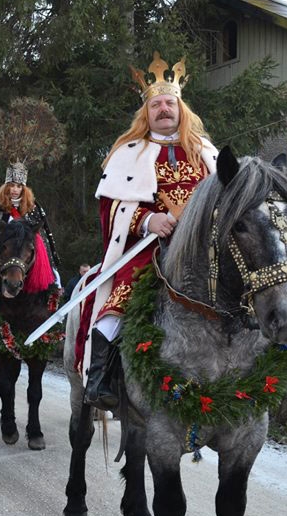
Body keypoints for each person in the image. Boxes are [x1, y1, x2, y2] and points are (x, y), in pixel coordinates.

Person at [76, 52, 219, 409]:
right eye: (156, 104)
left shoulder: (205, 152)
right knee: (116, 301)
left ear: (181, 107)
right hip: (147, 250)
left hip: (202, 250)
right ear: (147, 112)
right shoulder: (129, 152)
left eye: (170, 102)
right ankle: (101, 379)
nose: (164, 109)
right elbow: (110, 207)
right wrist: (146, 221)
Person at [0, 163, 62, 307]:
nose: (15, 189)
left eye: (19, 186)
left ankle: (56, 310)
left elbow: (42, 234)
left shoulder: (33, 208)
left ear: (24, 188)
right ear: (6, 187)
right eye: (12, 185)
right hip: (3, 254)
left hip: (26, 255)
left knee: (54, 275)